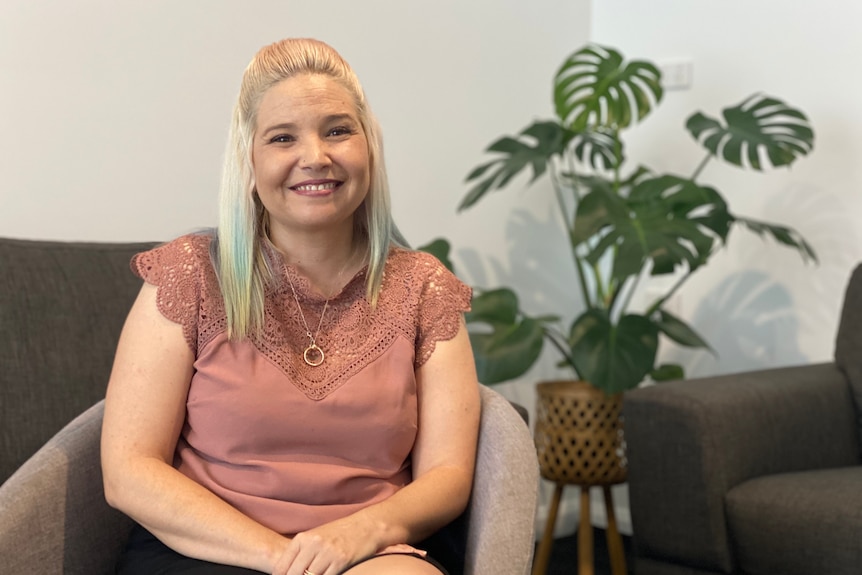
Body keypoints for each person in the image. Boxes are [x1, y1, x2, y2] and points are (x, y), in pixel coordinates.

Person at [101, 37, 481, 575]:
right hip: (206, 547)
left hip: (369, 550)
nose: (315, 157)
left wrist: (359, 535)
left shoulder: (425, 288)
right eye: (283, 137)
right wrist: (286, 560)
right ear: (249, 162)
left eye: (337, 130)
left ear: (368, 146)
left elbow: (448, 475)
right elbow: (128, 469)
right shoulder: (188, 275)